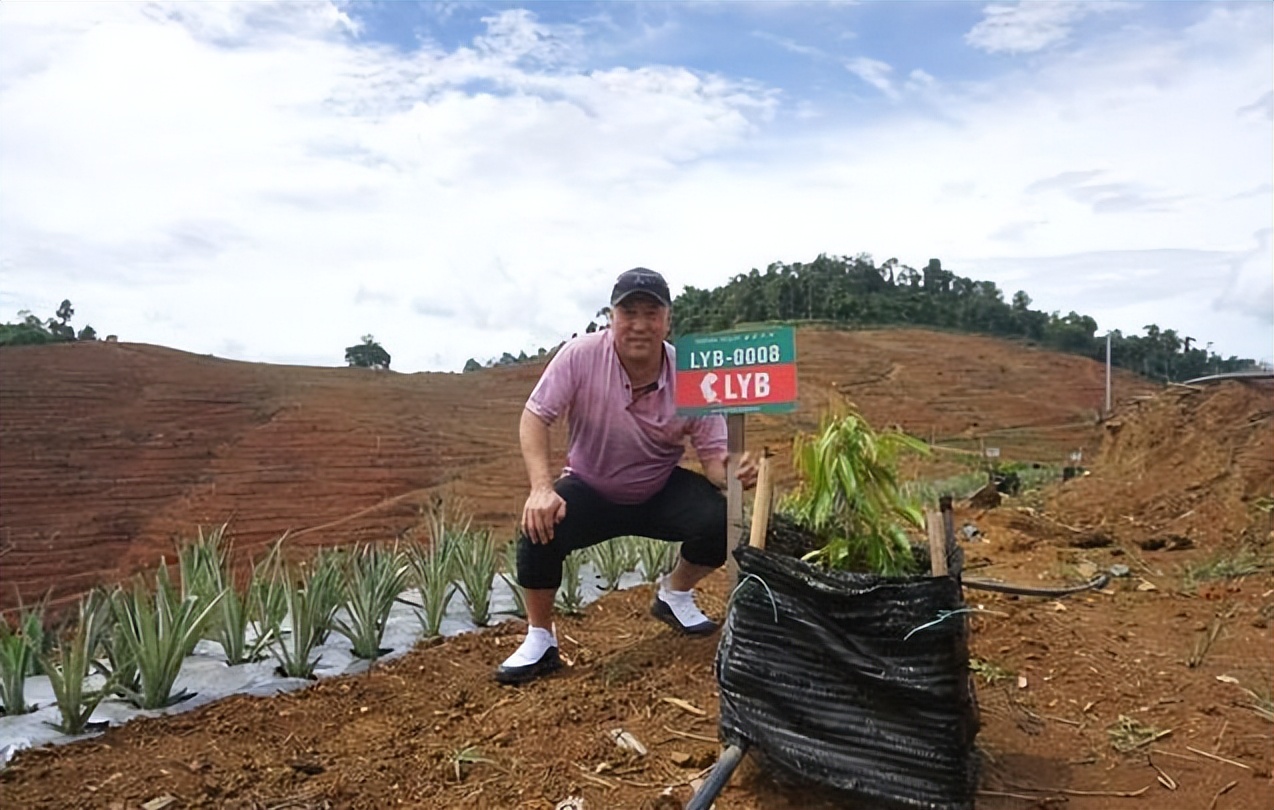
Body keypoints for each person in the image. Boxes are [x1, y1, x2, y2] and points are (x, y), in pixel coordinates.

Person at [495, 267, 756, 685]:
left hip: (657, 485)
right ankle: (540, 638)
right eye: (628, 312)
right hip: (590, 485)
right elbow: (535, 416)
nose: (639, 324)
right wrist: (541, 489)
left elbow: (712, 460)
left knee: (726, 519)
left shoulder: (691, 374)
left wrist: (734, 471)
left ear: (667, 320)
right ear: (611, 317)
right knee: (537, 529)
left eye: (651, 313)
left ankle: (675, 593)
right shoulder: (580, 355)